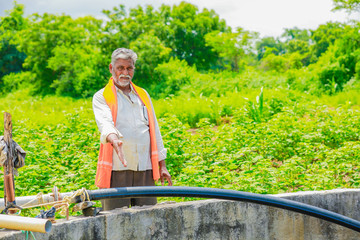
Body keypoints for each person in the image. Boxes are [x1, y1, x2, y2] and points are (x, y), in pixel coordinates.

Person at [92, 48, 172, 210]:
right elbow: (105, 123)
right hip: (117, 169)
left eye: (129, 68)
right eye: (120, 68)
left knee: (148, 218)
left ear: (134, 69)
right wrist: (114, 139)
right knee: (115, 218)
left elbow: (154, 130)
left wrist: (161, 165)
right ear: (111, 68)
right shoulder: (102, 96)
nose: (125, 73)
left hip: (145, 168)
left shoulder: (142, 95)